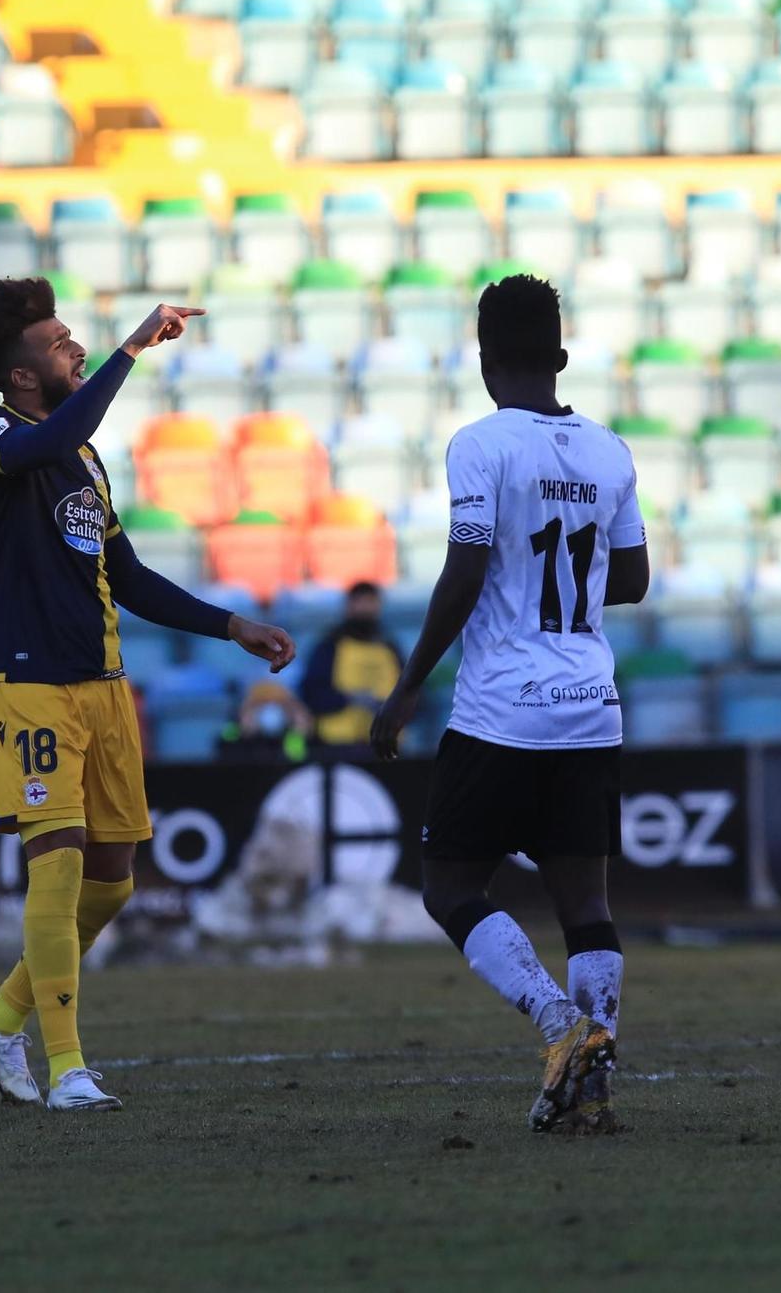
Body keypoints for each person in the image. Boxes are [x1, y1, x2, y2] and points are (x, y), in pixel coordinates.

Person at [0, 277, 297, 1112]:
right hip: (28, 682)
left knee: (113, 879)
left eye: (78, 337)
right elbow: (57, 430)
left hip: (102, 685)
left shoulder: (86, 458)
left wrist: (229, 625)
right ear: (22, 373)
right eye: (59, 340)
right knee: (59, 861)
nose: (75, 346)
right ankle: (65, 1065)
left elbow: (128, 575)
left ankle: (2, 1016)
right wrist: (131, 349)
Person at [371, 275, 651, 1136]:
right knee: (587, 903)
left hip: (501, 709)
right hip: (589, 703)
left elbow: (465, 564)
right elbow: (633, 578)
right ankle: (592, 1084)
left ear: (486, 361)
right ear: (561, 357)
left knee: (450, 883)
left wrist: (410, 681)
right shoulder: (609, 451)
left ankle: (561, 1026)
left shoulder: (480, 444)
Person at [296, 580, 404, 752]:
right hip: (337, 744)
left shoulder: (390, 647)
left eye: (371, 602)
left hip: (386, 744)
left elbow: (410, 693)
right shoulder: (330, 645)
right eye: (360, 602)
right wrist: (349, 699)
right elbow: (311, 692)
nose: (366, 609)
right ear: (349, 606)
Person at [216, 680, 311, 764]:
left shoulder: (298, 737)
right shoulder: (232, 735)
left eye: (279, 704)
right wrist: (245, 734)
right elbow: (224, 751)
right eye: (261, 704)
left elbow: (299, 762)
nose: (270, 709)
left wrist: (298, 733)